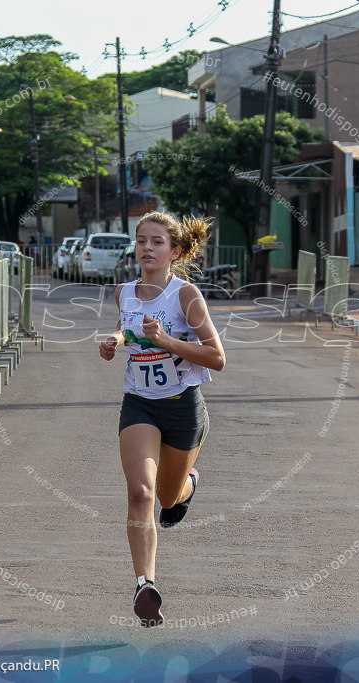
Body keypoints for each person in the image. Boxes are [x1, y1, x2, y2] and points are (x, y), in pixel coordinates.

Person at [98, 211, 225, 628]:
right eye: (141, 241)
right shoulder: (124, 292)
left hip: (183, 406)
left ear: (176, 251)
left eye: (157, 241)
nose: (147, 248)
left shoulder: (185, 295)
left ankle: (189, 485)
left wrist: (166, 340)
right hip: (140, 404)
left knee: (168, 498)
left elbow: (217, 358)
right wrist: (115, 340)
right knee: (140, 492)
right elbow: (126, 325)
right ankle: (145, 584)